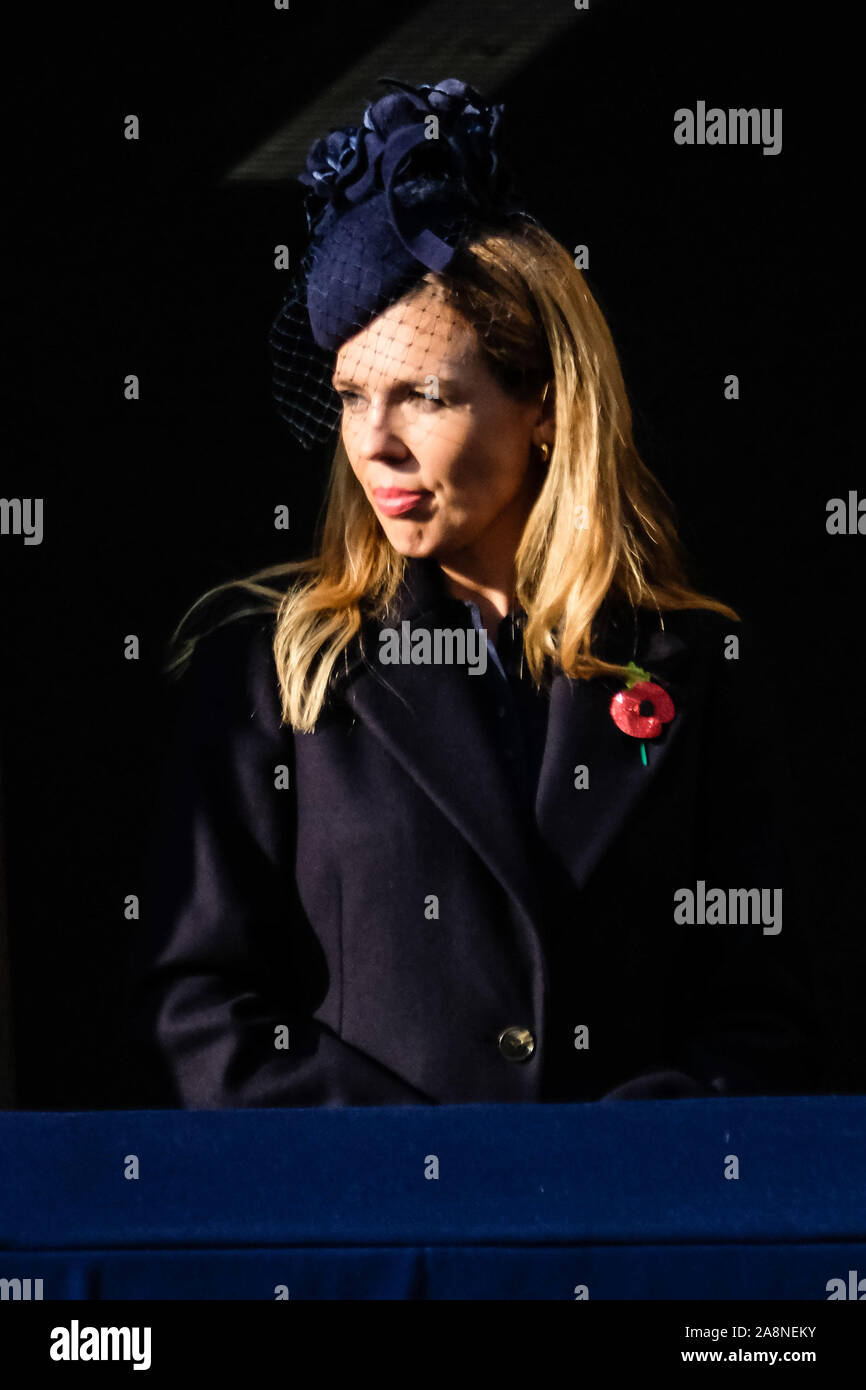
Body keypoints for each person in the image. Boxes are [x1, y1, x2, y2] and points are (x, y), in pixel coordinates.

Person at [131, 77, 823, 1109]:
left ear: (543, 403)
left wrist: (624, 1160)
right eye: (351, 395)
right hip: (372, 1211)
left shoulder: (695, 667)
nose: (374, 442)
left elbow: (764, 1011)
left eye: (424, 394)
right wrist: (429, 1170)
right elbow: (198, 1009)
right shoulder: (272, 672)